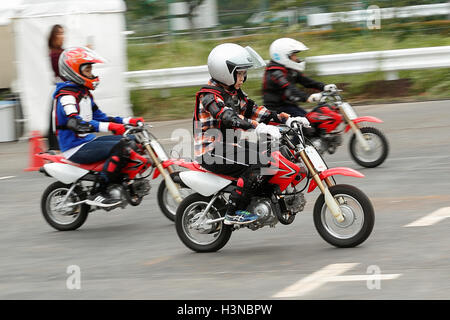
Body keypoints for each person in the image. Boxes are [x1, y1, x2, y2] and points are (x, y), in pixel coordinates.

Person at [194, 43, 310, 225]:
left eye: (243, 73)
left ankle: (265, 198)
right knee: (259, 163)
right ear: (225, 72)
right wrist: (258, 127)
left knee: (273, 151)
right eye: (239, 73)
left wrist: (286, 119)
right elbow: (227, 117)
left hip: (231, 146)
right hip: (211, 151)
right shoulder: (209, 96)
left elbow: (256, 110)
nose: (242, 77)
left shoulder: (233, 93)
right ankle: (234, 212)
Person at [53, 46, 146, 207]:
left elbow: (102, 117)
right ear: (74, 71)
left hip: (87, 142)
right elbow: (77, 123)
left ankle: (121, 182)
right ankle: (100, 190)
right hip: (74, 147)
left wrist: (128, 121)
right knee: (122, 148)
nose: (92, 73)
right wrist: (111, 127)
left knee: (131, 139)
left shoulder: (84, 94)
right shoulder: (66, 96)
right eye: (88, 70)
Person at [262, 38, 341, 133]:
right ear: (283, 56)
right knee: (306, 128)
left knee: (314, 121)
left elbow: (306, 81)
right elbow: (290, 89)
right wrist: (308, 97)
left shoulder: (289, 70)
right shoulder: (276, 73)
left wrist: (324, 87)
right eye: (293, 55)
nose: (296, 58)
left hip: (288, 106)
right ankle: (298, 147)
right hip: (277, 109)